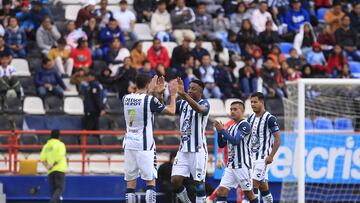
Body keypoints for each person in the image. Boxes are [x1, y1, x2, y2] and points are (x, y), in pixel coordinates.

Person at [123, 74, 177, 203]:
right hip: (144, 144)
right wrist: (173, 95)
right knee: (150, 181)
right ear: (148, 84)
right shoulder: (149, 100)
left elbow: (151, 108)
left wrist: (158, 95)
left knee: (131, 182)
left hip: (129, 143)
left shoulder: (126, 98)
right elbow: (171, 110)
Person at [171, 78, 210, 203]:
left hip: (198, 150)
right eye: (189, 88)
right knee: (175, 180)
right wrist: (164, 94)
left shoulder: (205, 103)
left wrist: (184, 95)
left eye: (193, 89)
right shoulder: (182, 104)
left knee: (199, 183)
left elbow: (199, 109)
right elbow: (168, 109)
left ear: (200, 92)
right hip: (183, 150)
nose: (190, 90)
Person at [213, 100, 259, 203]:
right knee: (221, 192)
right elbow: (222, 144)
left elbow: (235, 141)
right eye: (231, 109)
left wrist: (223, 130)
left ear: (242, 111)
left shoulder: (245, 125)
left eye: (235, 109)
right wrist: (220, 132)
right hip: (231, 166)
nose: (232, 111)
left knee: (250, 194)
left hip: (242, 166)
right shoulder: (231, 127)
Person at [248, 92, 281, 203]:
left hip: (263, 159)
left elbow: (277, 139)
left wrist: (271, 156)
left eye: (255, 102)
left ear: (262, 102)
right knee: (263, 187)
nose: (253, 104)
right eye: (251, 102)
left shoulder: (270, 118)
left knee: (253, 185)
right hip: (251, 158)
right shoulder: (250, 118)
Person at [40, 129, 67, 203]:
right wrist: (53, 165)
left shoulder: (46, 146)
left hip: (50, 171)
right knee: (59, 188)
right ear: (59, 136)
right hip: (59, 169)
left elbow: (42, 158)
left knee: (54, 190)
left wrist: (48, 166)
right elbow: (59, 156)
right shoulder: (60, 144)